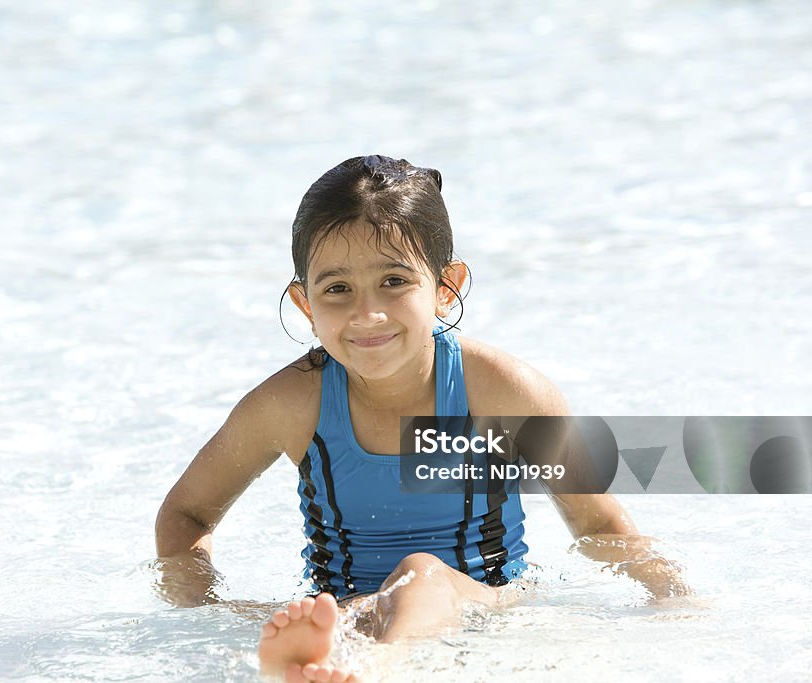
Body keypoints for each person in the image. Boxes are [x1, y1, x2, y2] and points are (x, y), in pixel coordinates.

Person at [154, 155, 690, 682]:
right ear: (305, 305)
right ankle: (339, 658)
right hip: (349, 615)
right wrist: (207, 614)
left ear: (445, 287)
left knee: (422, 575)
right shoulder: (292, 404)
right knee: (343, 607)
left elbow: (598, 523)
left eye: (394, 281)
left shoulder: (500, 393)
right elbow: (186, 516)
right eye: (337, 289)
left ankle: (371, 669)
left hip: (490, 610)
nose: (368, 314)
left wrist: (674, 596)